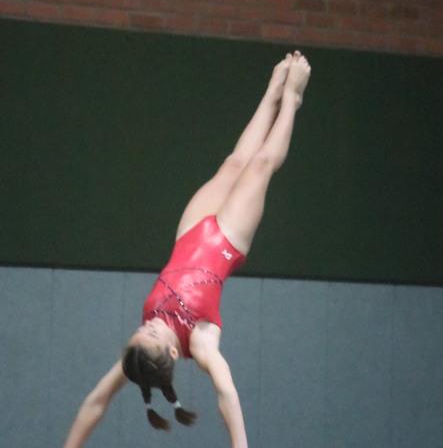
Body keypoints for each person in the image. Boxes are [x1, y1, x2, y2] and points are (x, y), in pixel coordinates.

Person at [64, 51, 311, 448]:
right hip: (226, 242)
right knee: (261, 165)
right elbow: (226, 392)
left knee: (234, 163)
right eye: (151, 332)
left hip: (189, 236)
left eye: (140, 330)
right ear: (172, 353)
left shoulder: (139, 357)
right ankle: (293, 99)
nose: (145, 326)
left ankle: (272, 90)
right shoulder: (199, 342)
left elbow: (97, 400)